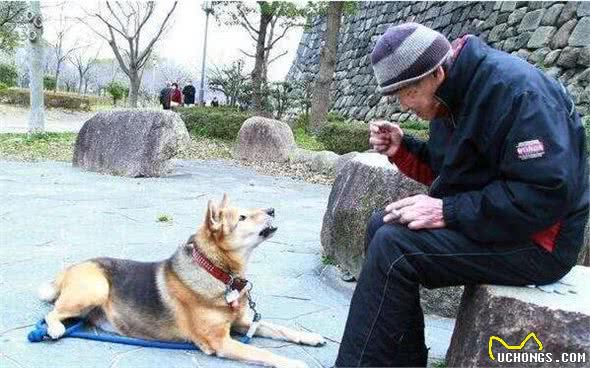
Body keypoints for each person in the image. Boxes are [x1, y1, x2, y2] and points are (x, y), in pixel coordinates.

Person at [335, 22, 589, 367]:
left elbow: (544, 193)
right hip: (504, 224)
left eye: (407, 91)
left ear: (436, 72)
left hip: (540, 242)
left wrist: (447, 212)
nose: (403, 104)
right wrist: (402, 149)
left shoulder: (519, 93)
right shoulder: (450, 99)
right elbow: (450, 174)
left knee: (395, 248)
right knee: (381, 226)